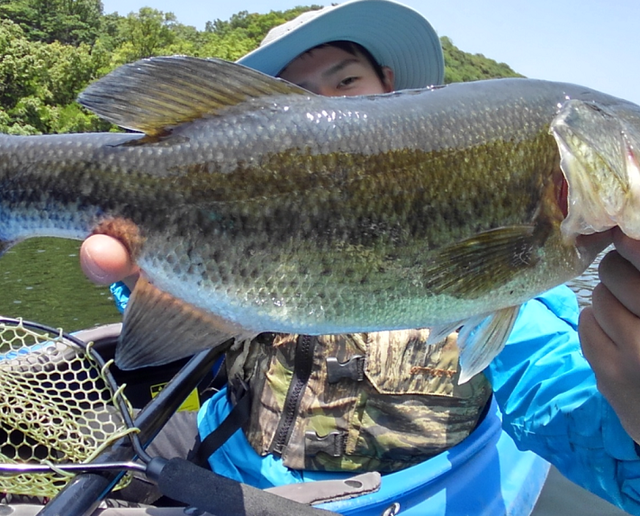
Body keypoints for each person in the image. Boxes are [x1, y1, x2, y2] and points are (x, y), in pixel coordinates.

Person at [79, 1, 640, 513]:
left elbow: (560, 392)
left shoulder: (517, 280)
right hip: (227, 474)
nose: (326, 106)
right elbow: (168, 328)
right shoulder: (237, 242)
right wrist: (144, 276)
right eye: (294, 96)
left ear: (390, 87)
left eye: (345, 80)